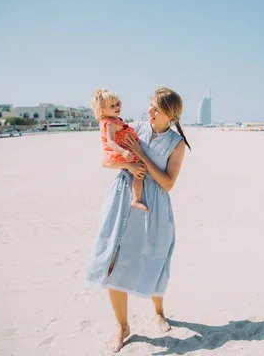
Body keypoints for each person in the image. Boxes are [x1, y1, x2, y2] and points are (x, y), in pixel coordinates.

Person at [86, 87, 191, 353]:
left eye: (156, 108)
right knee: (114, 258)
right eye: (150, 106)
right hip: (123, 198)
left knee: (154, 257)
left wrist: (141, 156)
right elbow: (106, 162)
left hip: (154, 204)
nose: (149, 111)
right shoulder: (132, 127)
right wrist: (129, 165)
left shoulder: (177, 144)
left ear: (171, 114)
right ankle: (122, 326)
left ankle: (158, 312)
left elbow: (167, 183)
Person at [91, 88, 148, 212]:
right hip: (119, 153)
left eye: (118, 104)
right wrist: (123, 152)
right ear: (102, 110)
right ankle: (136, 199)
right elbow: (110, 141)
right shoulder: (110, 123)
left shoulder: (112, 120)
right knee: (139, 173)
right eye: (112, 106)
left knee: (137, 173)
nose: (117, 107)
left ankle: (135, 198)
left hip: (120, 152)